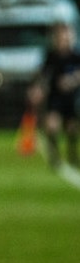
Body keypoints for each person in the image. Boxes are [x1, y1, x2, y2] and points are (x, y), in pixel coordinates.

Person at [27, 23, 80, 169]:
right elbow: (43, 75)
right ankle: (55, 157)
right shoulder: (51, 56)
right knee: (52, 125)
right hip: (55, 97)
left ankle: (72, 155)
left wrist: (72, 80)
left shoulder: (75, 56)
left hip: (71, 98)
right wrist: (37, 89)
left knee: (72, 128)